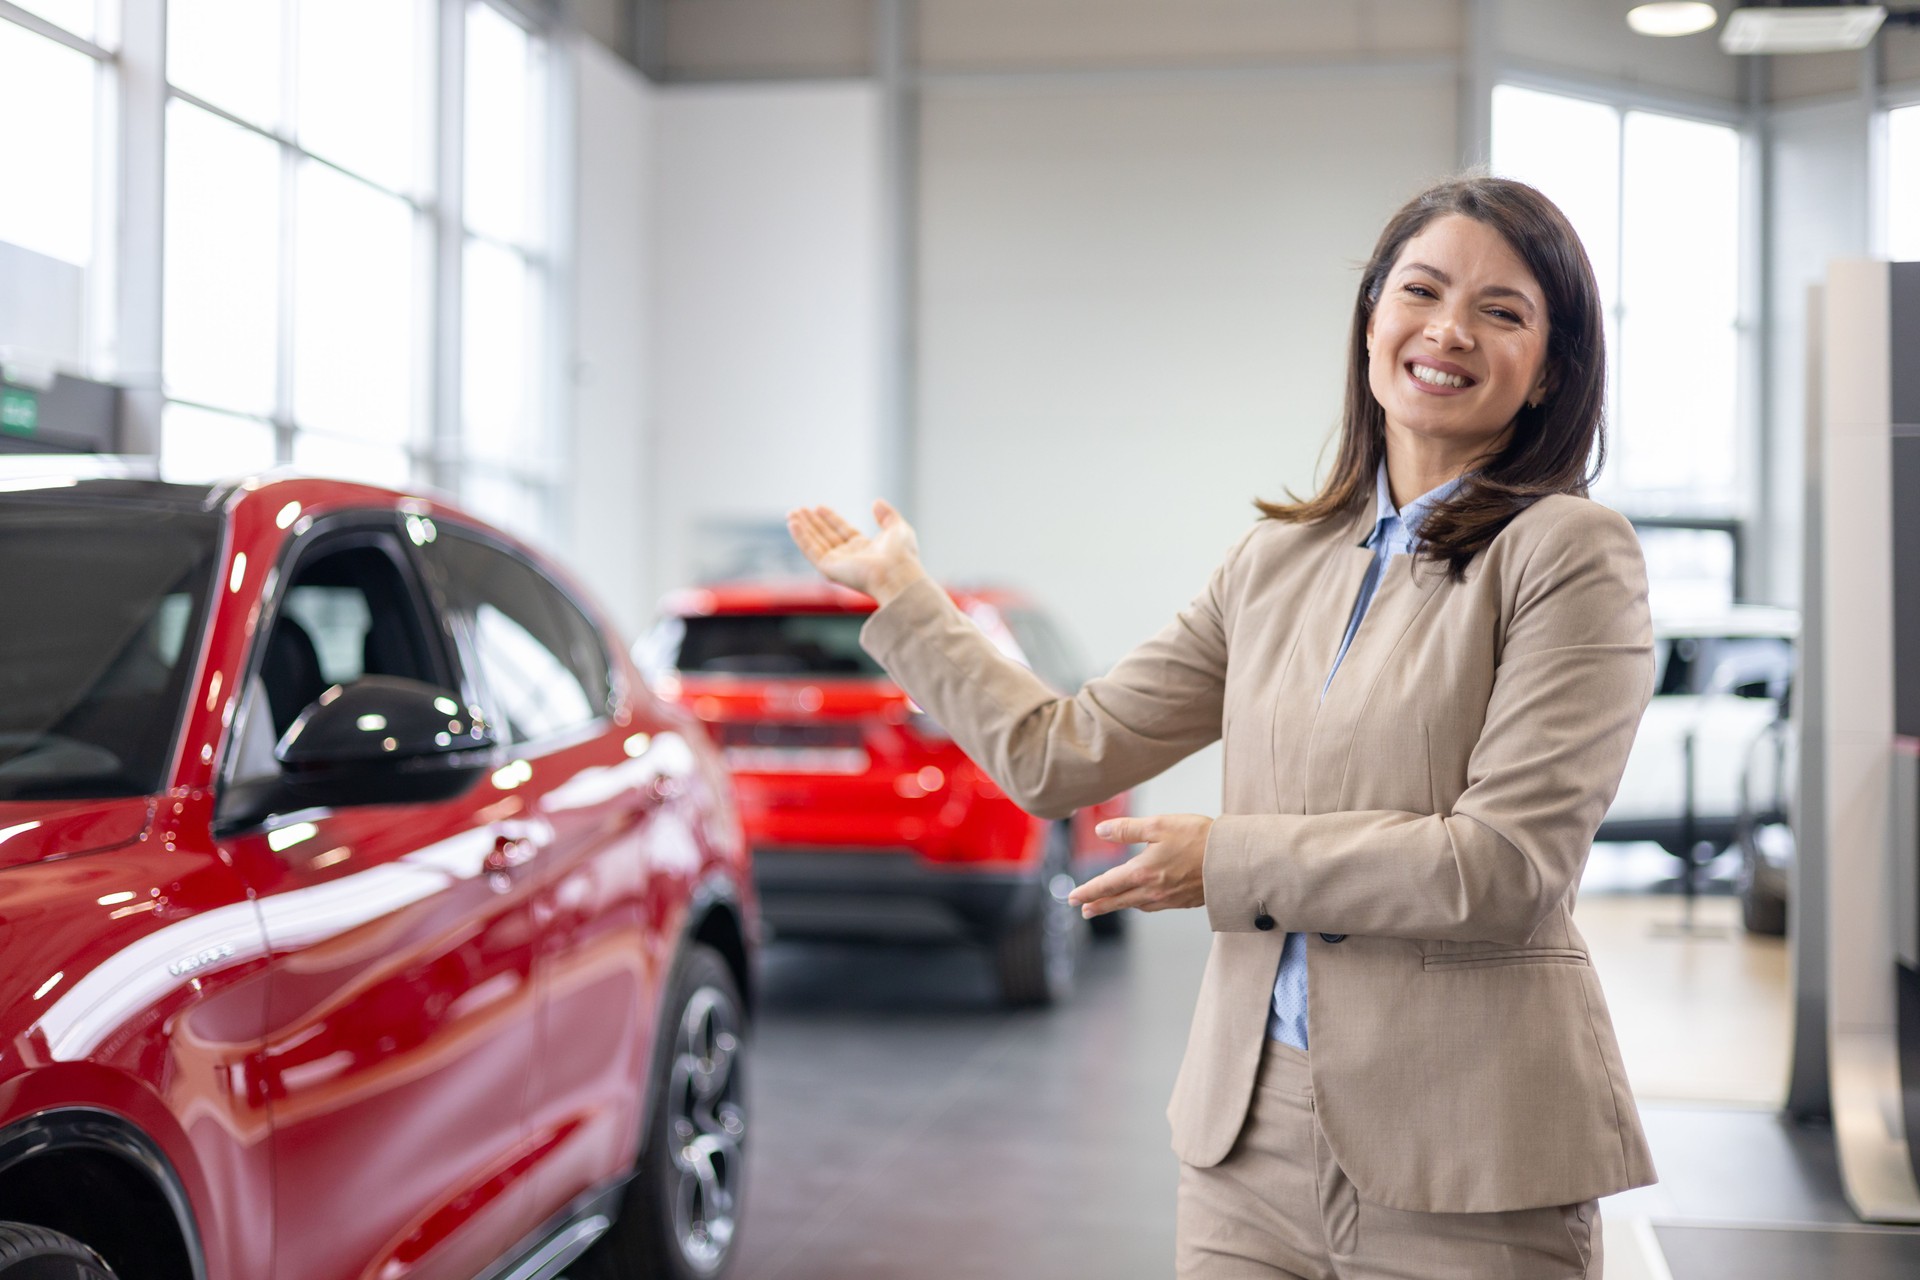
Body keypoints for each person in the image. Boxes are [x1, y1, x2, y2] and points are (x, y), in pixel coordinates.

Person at [786, 174, 1653, 1280]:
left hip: (1470, 1151)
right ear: (1371, 321)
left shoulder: (1571, 552)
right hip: (1252, 1136)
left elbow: (1506, 863)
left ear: (1552, 369)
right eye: (1420, 290)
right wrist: (907, 597)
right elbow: (1063, 751)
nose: (1447, 330)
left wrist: (1227, 858)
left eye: (1502, 310)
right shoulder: (1275, 561)